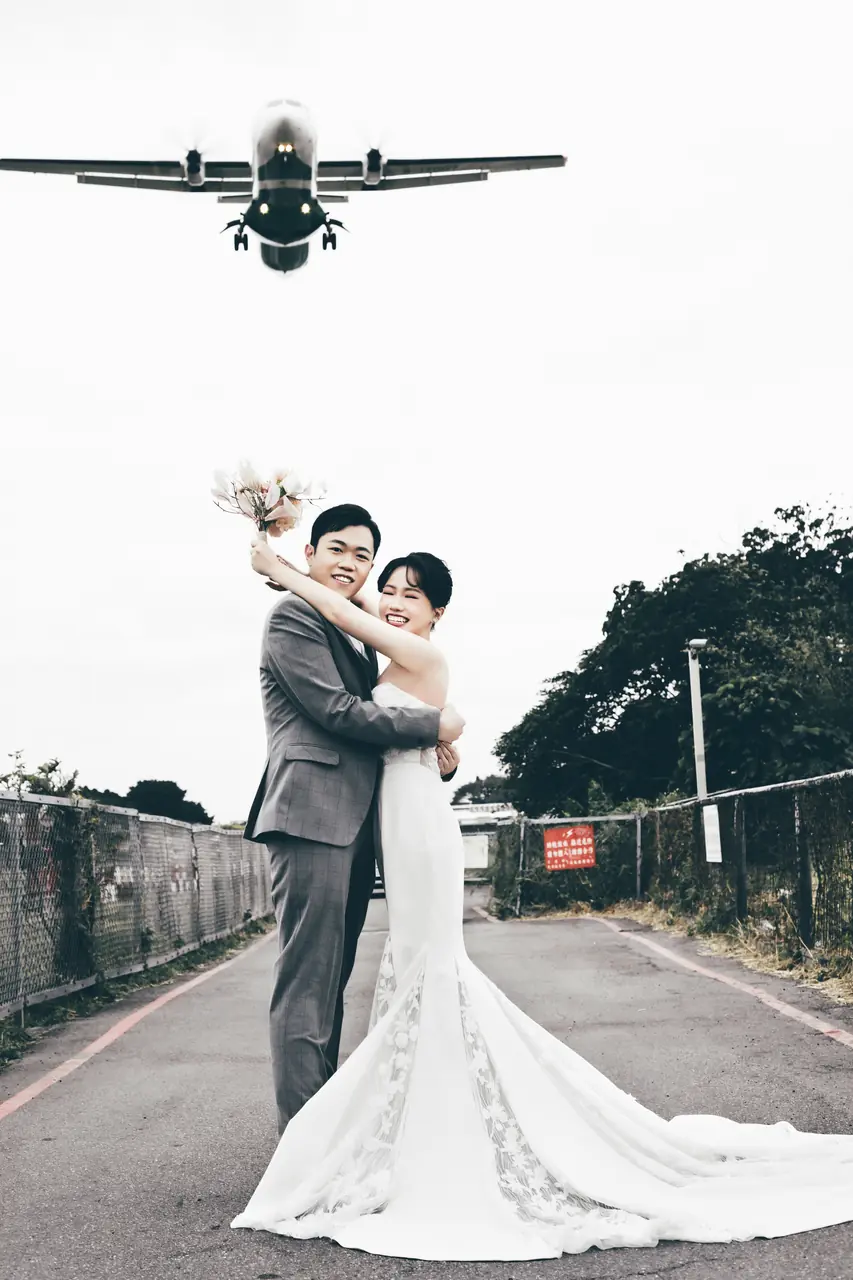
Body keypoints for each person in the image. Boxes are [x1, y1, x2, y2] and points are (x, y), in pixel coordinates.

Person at [234, 538, 853, 1262]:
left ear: (437, 613)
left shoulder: (418, 652)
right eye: (388, 588)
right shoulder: (382, 639)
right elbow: (354, 615)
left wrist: (280, 570)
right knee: (408, 969)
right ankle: (399, 1123)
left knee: (432, 969)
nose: (393, 600)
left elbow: (349, 614)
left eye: (410, 593)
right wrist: (433, 727)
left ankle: (430, 1128)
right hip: (391, 819)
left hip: (418, 827)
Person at [242, 503, 464, 1138]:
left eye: (362, 555)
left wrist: (433, 748)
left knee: (331, 983)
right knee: (307, 985)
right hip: (312, 817)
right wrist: (435, 725)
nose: (350, 563)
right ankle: (302, 1144)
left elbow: (369, 639)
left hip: (359, 824)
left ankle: (324, 1130)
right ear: (311, 552)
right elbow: (337, 711)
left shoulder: (353, 627)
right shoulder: (293, 617)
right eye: (337, 549)